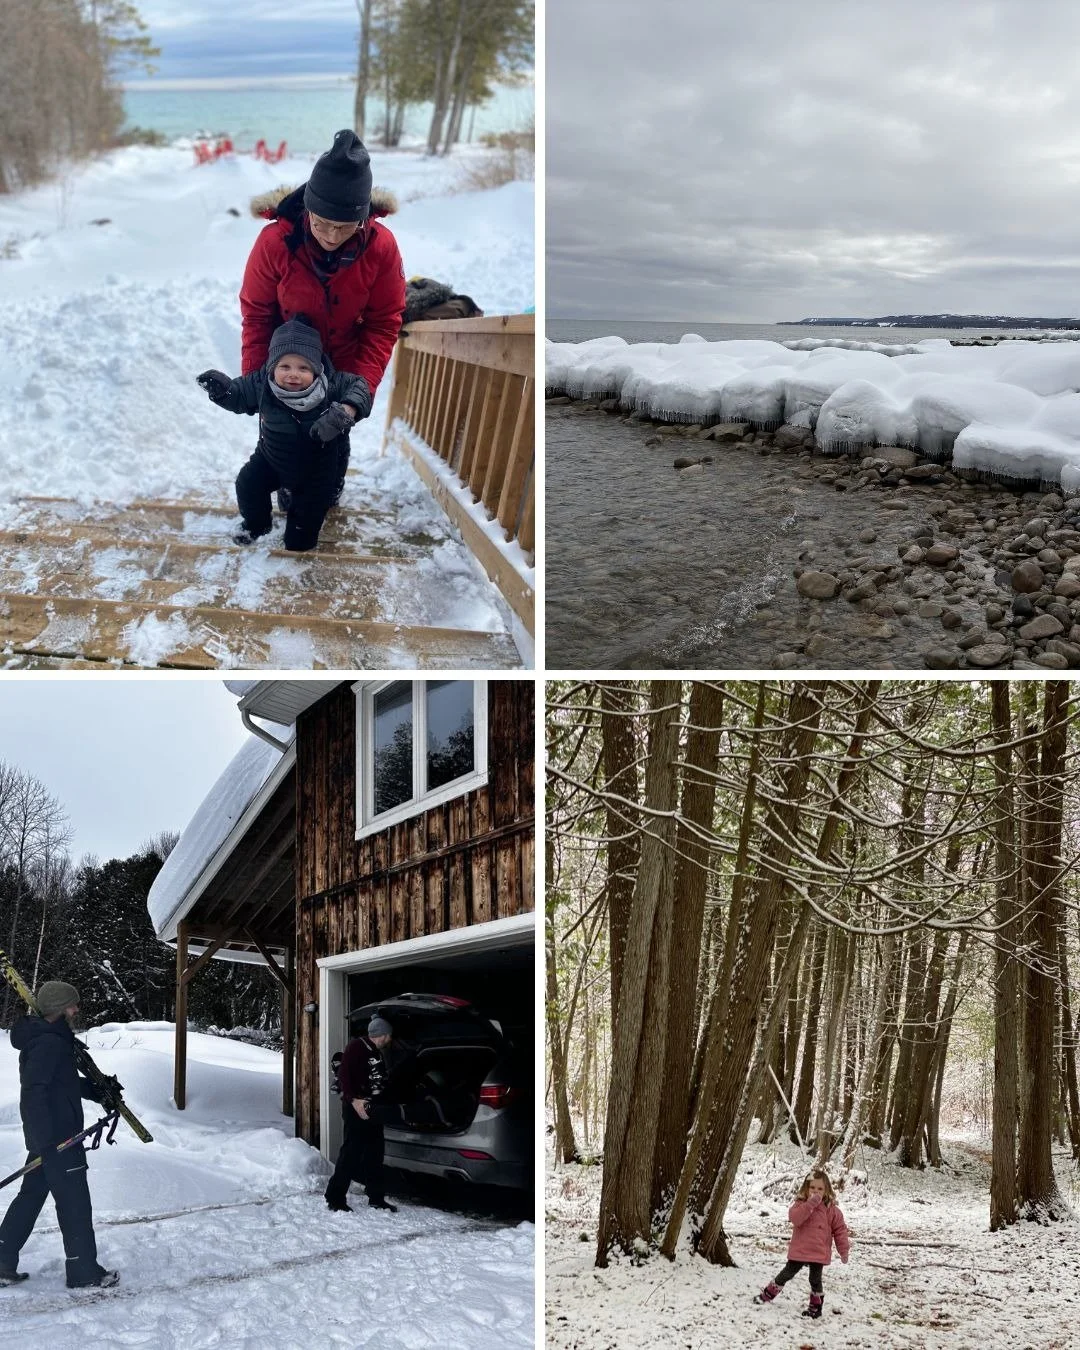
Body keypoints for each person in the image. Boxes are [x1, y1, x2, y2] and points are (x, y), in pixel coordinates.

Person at [241, 129, 406, 508]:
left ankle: (327, 493)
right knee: (283, 446)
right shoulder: (274, 243)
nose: (332, 235)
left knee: (330, 459)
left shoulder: (382, 248)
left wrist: (355, 396)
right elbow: (257, 314)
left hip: (341, 367)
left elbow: (384, 321)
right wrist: (257, 383)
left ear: (363, 218)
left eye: (345, 227)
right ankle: (287, 488)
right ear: (308, 210)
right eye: (322, 223)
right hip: (287, 368)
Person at [197, 316, 371, 552]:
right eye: (285, 366)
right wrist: (223, 391)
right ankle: (256, 525)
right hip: (271, 459)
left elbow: (360, 387)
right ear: (272, 366)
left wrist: (346, 410)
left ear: (317, 369)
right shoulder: (262, 384)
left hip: (316, 471)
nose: (293, 374)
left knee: (301, 535)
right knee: (248, 484)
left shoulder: (331, 385)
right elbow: (239, 394)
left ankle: (299, 541)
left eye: (303, 367)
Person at [0, 982, 119, 1290]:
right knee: (75, 1204)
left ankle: (1, 1261)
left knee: (30, 1198)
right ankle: (84, 1272)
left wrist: (96, 1090)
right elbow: (33, 1094)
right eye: (72, 1005)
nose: (76, 1009)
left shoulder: (49, 1038)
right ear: (58, 1008)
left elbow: (60, 1084)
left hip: (50, 1139)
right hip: (59, 1140)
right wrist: (48, 1144)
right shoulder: (48, 1043)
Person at [324, 1015, 398, 1214]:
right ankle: (335, 1197)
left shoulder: (376, 1052)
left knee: (375, 1153)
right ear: (381, 1034)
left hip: (371, 1109)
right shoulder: (356, 1047)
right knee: (351, 1153)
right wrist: (354, 1101)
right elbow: (344, 1077)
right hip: (354, 1107)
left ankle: (376, 1198)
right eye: (389, 1035)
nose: (390, 1039)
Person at [754, 1168, 850, 1318]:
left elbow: (840, 1231)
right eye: (812, 1188)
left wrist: (843, 1251)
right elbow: (795, 1218)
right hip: (800, 1249)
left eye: (820, 1189)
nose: (816, 1191)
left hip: (818, 1251)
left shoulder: (832, 1210)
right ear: (806, 1188)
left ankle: (816, 1307)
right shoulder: (800, 1205)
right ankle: (768, 1294)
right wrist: (810, 1205)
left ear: (826, 1190)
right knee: (786, 1273)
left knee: (815, 1280)